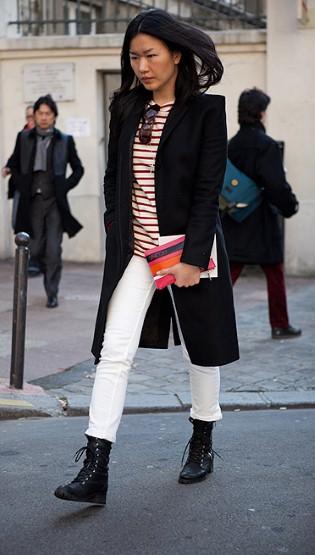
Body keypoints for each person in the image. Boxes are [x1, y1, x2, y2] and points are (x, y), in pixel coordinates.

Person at [54, 8, 239, 506]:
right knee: (114, 351)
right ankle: (96, 467)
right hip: (136, 250)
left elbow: (206, 191)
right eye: (134, 56)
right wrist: (117, 225)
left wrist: (194, 257)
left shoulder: (206, 112)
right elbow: (116, 175)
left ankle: (202, 438)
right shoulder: (127, 108)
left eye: (151, 55)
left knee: (202, 348)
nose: (141, 65)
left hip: (188, 248)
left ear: (176, 55)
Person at [221, 88, 301, 339]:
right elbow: (276, 185)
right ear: (261, 114)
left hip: (235, 218)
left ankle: (213, 324)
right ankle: (279, 324)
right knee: (274, 273)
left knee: (228, 274)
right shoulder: (267, 146)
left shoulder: (230, 146)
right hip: (262, 221)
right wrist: (291, 206)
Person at [7, 94, 84, 307]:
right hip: (31, 202)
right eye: (39, 113)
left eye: (47, 113)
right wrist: (19, 182)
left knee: (53, 250)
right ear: (35, 115)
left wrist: (65, 186)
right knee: (36, 246)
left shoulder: (65, 140)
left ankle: (52, 292)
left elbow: (79, 168)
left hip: (54, 204)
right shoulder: (23, 138)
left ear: (54, 116)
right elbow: (14, 163)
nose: (43, 117)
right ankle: (39, 266)